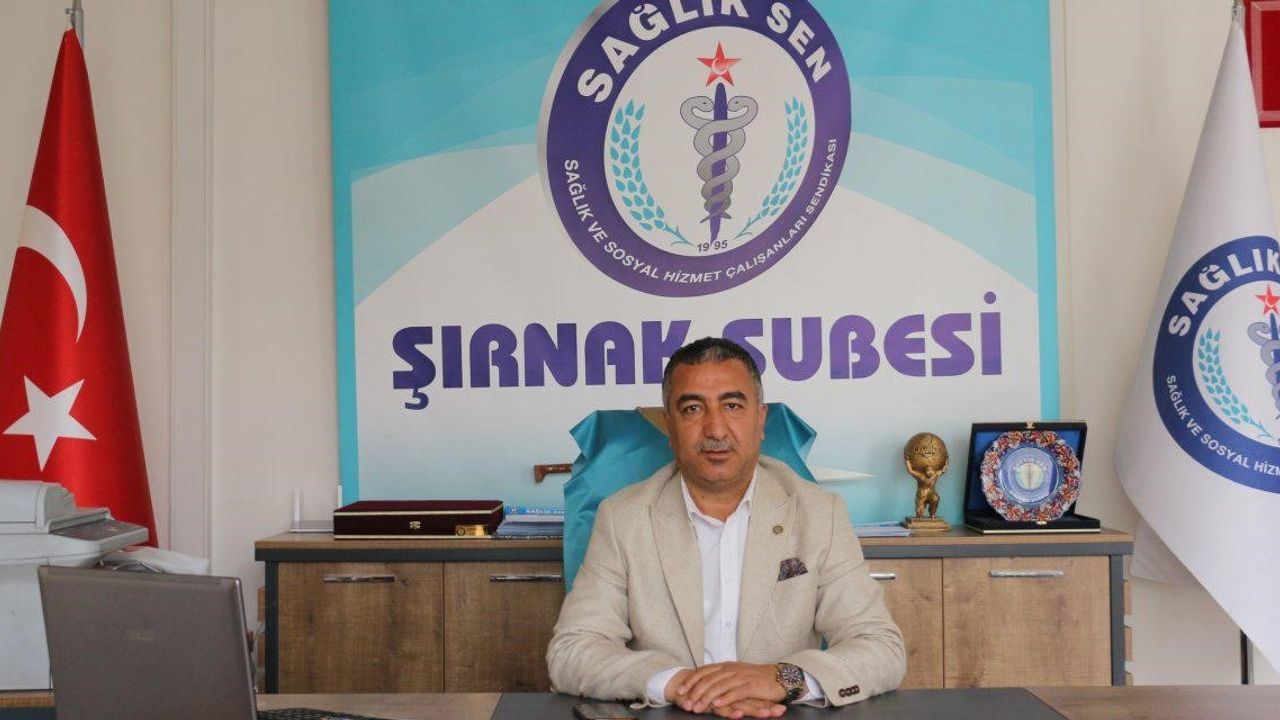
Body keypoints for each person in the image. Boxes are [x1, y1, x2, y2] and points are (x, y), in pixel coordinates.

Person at [547, 337, 905, 718]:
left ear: (760, 419)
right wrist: (676, 683)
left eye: (732, 406)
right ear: (670, 425)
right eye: (693, 409)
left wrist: (781, 678)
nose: (715, 429)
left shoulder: (819, 513)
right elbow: (572, 650)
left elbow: (881, 647)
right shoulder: (623, 518)